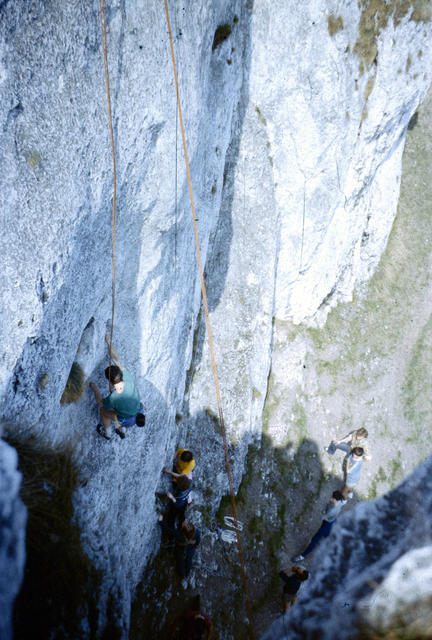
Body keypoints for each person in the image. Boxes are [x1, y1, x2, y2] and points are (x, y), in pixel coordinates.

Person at [90, 340, 144, 440]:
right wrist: (109, 342)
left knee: (103, 411)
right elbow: (117, 359)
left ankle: (108, 433)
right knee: (120, 409)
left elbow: (101, 403)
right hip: (138, 411)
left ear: (110, 381)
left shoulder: (114, 397)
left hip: (128, 418)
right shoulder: (127, 377)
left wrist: (95, 388)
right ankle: (121, 429)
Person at [292, 490, 347, 561]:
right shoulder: (340, 503)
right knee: (329, 535)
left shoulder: (332, 510)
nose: (330, 498)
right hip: (333, 521)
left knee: (315, 540)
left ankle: (302, 556)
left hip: (326, 524)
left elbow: (324, 517)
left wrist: (324, 510)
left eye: (332, 497)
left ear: (335, 499)